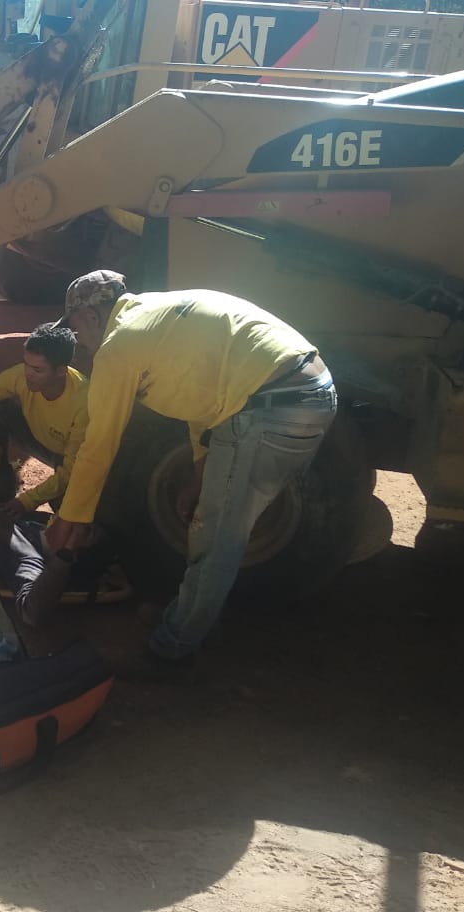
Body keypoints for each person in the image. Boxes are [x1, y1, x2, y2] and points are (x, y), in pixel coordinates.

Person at [46, 271, 337, 667]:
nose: (76, 336)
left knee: (215, 538)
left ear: (93, 315)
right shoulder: (154, 314)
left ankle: (171, 650)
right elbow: (202, 395)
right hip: (307, 392)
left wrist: (72, 516)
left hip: (272, 408)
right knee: (215, 526)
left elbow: (99, 443)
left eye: (75, 325)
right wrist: (202, 470)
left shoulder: (118, 347)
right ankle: (186, 618)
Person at [0, 323, 90, 518]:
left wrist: (27, 502)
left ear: (61, 370)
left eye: (37, 370)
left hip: (69, 456)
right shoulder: (22, 375)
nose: (28, 374)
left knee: (64, 507)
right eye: (27, 364)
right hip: (38, 436)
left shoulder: (84, 401)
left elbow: (72, 469)